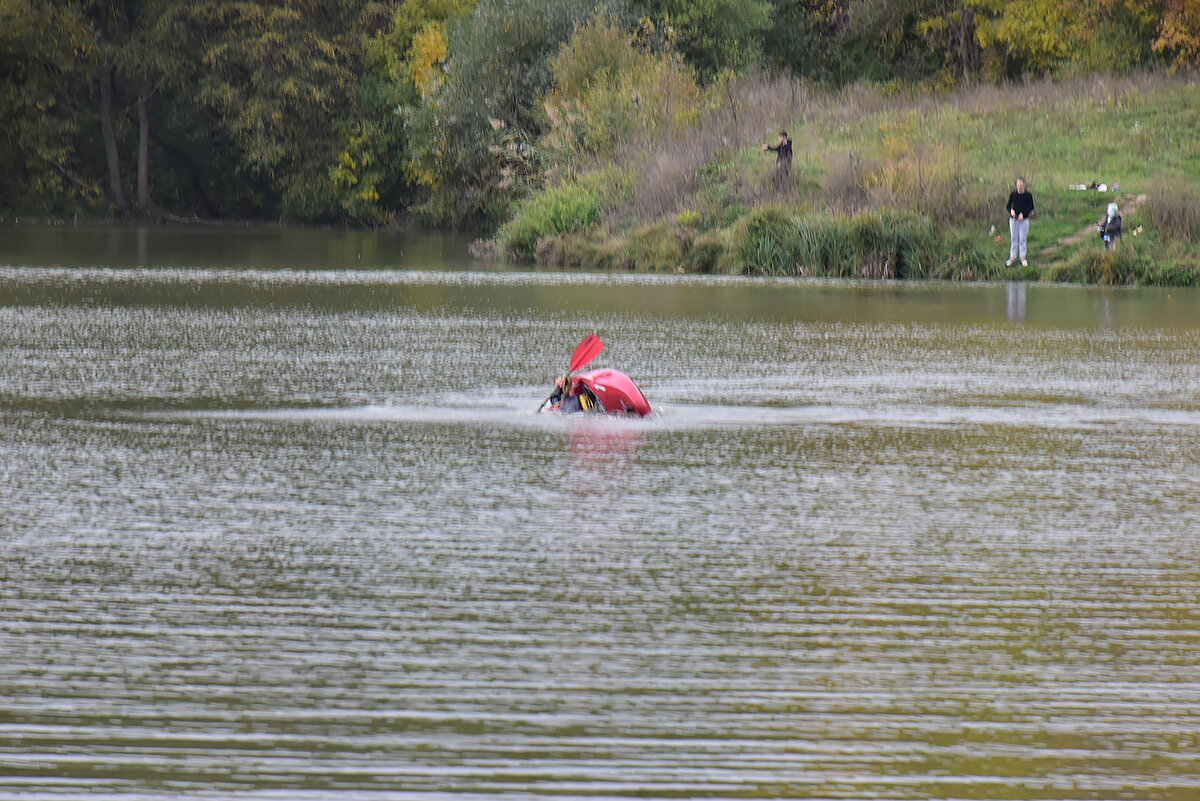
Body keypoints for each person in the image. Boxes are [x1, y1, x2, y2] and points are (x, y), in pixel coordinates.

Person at [1005, 177, 1035, 267]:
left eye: (1021, 185)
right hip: (1013, 220)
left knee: (1022, 238)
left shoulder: (1028, 195)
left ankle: (1022, 257)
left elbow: (1031, 207)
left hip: (1024, 220)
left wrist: (1024, 214)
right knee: (1014, 238)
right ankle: (1012, 257)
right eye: (1018, 185)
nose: (1019, 187)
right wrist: (1011, 211)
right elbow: (1008, 206)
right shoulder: (1013, 195)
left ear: (1024, 185)